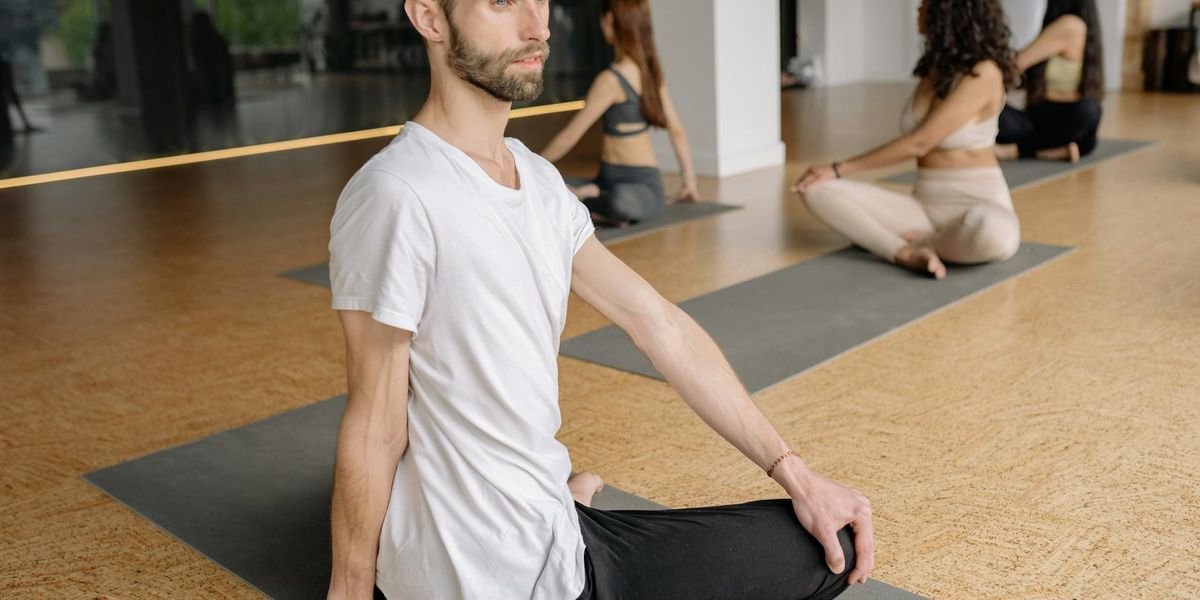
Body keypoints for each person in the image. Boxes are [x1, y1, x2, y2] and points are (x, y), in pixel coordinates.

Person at [326, 1, 874, 599]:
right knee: (829, 556)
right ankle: (573, 502)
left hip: (550, 531)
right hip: (500, 575)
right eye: (503, 3)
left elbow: (657, 322)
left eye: (543, 3)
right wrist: (349, 590)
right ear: (430, 18)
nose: (538, 28)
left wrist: (797, 474)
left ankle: (570, 498)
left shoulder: (537, 181)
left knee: (832, 530)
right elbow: (375, 425)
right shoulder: (396, 193)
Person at [792, 0, 1021, 280]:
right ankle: (902, 252)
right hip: (923, 207)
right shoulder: (934, 68)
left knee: (990, 233)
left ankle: (927, 243)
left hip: (979, 204)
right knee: (814, 189)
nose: (919, 8)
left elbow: (919, 143)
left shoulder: (985, 73)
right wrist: (830, 176)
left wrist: (839, 168)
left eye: (926, 4)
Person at [539, 0, 698, 227]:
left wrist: (531, 166)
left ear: (610, 19)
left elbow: (570, 135)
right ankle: (591, 195)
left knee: (621, 202)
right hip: (607, 180)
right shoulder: (648, 73)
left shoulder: (612, 80)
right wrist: (688, 182)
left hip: (639, 187)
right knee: (552, 185)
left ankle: (586, 197)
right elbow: (678, 131)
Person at [995, 0, 1104, 163]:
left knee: (1089, 111)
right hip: (1041, 119)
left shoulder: (1070, 25)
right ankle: (1048, 151)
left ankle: (1016, 150)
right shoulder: (1079, 27)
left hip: (1065, 119)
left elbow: (1015, 63)